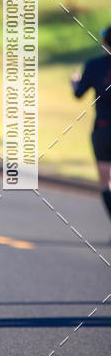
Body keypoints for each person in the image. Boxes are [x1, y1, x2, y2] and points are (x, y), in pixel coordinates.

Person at [71, 27, 111, 224]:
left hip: (102, 129)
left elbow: (79, 94)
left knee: (105, 181)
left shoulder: (94, 66)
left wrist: (75, 83)